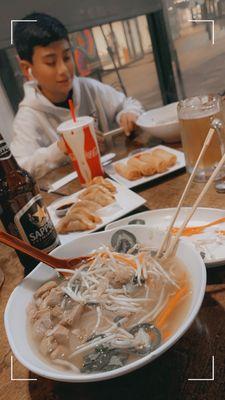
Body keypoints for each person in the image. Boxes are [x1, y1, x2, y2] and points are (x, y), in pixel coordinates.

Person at [11, 13, 144, 179]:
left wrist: (128, 114)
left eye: (67, 57)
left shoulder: (89, 88)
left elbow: (128, 104)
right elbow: (20, 170)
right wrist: (60, 149)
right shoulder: (28, 117)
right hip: (71, 198)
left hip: (117, 180)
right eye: (50, 62)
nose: (64, 70)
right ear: (26, 68)